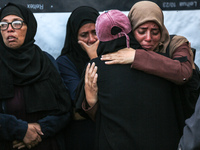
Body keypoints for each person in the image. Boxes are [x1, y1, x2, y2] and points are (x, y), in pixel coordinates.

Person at [76, 1, 200, 150]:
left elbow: (183, 74)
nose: (148, 38)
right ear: (130, 30)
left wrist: (137, 57)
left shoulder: (175, 45)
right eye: (141, 31)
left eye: (155, 32)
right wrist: (91, 101)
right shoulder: (109, 63)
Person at [0, 3, 71, 150]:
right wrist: (20, 130)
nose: (10, 29)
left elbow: (65, 109)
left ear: (29, 27)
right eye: (3, 25)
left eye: (17, 23)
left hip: (47, 143)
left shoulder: (46, 62)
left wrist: (38, 131)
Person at [56, 6, 99, 150]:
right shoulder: (65, 62)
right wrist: (94, 58)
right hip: (81, 137)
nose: (91, 39)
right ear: (74, 37)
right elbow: (79, 99)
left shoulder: (113, 55)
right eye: (84, 35)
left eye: (95, 32)